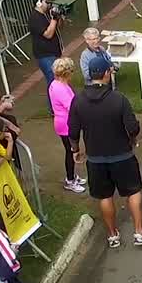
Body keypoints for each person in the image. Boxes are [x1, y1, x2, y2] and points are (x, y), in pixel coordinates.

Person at [70, 56, 142, 249]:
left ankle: (112, 235)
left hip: (95, 159)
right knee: (133, 191)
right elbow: (132, 127)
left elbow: (73, 130)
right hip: (122, 156)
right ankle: (139, 231)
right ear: (107, 73)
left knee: (104, 196)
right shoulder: (119, 99)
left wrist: (75, 150)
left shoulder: (78, 101)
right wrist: (133, 139)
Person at [47, 57, 85, 194]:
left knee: (71, 151)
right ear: (67, 73)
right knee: (71, 152)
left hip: (64, 123)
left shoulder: (57, 84)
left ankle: (72, 176)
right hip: (65, 125)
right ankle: (70, 180)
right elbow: (72, 107)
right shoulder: (60, 88)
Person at [29, 0, 63, 87]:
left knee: (59, 80)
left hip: (54, 53)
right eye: (46, 1)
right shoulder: (35, 18)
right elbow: (48, 34)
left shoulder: (47, 13)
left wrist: (59, 17)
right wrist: (54, 19)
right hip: (45, 56)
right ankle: (53, 101)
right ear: (38, 3)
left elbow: (58, 27)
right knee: (53, 81)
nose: (48, 4)